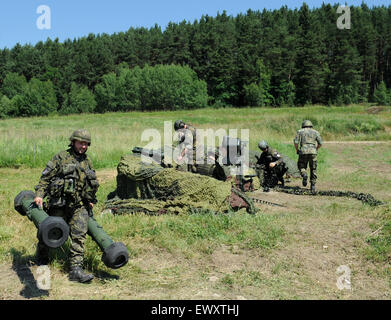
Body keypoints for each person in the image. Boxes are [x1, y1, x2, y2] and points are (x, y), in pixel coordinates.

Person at [34, 129, 99, 283]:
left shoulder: (87, 161)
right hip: (59, 205)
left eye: (86, 144)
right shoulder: (60, 158)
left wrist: (90, 199)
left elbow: (89, 183)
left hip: (78, 205)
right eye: (80, 143)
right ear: (73, 142)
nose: (83, 146)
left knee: (79, 235)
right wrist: (39, 195)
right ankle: (42, 258)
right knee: (50, 232)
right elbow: (45, 178)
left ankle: (76, 270)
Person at [294, 120, 323, 193]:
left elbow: (296, 142)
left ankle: (304, 174)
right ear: (311, 125)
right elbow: (320, 143)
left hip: (303, 151)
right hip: (313, 152)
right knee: (313, 168)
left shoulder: (300, 131)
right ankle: (313, 185)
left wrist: (297, 149)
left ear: (303, 125)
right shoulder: (316, 132)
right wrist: (316, 149)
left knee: (301, 165)